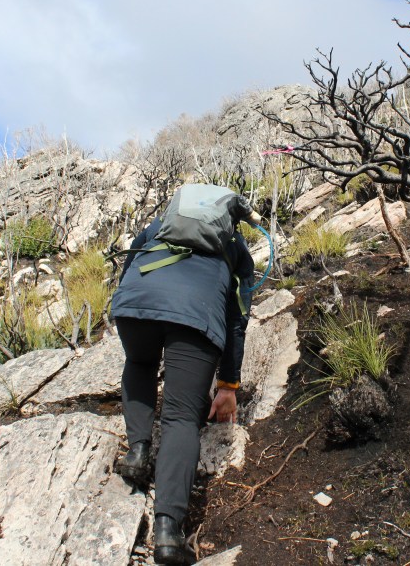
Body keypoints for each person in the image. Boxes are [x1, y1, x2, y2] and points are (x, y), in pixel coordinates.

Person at [109, 197, 254, 565]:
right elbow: (237, 319)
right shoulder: (235, 246)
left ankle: (138, 451)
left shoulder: (159, 226)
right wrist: (228, 385)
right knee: (180, 417)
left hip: (135, 302)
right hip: (195, 313)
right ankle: (168, 532)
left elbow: (129, 266)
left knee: (140, 363)